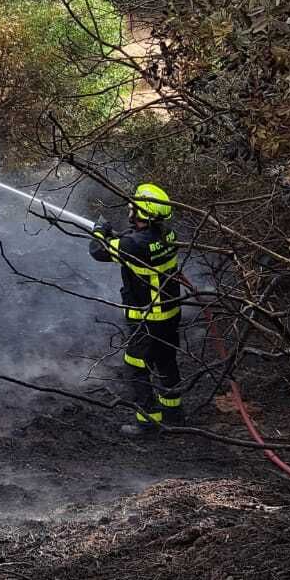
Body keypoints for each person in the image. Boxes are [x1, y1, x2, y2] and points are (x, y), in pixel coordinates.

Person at [89, 183, 184, 436]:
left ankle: (148, 421)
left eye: (133, 206)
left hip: (147, 319)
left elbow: (98, 251)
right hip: (170, 314)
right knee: (166, 360)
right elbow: (137, 242)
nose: (129, 208)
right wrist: (118, 235)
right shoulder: (168, 234)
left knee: (136, 366)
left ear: (143, 213)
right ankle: (174, 413)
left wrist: (99, 231)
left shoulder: (134, 245)